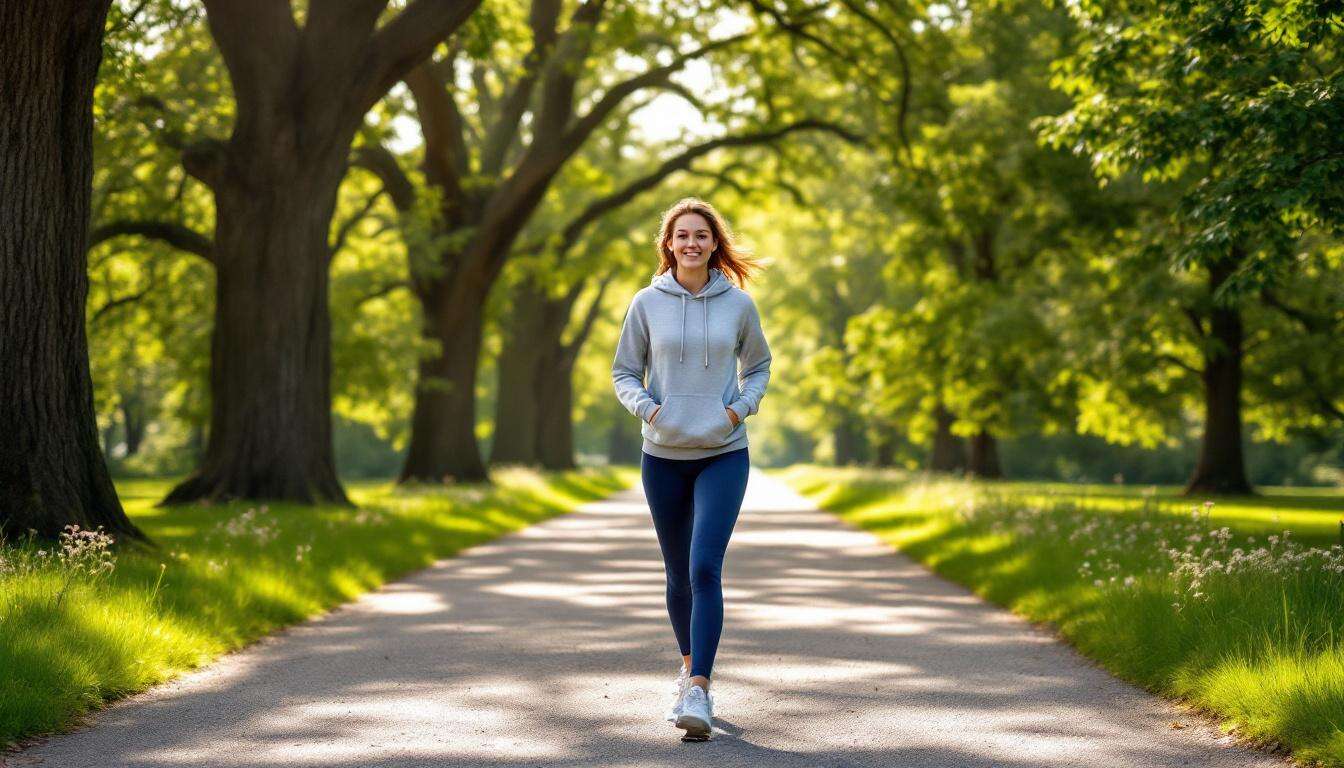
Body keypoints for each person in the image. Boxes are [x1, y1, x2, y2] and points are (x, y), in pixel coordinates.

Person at [611, 197, 772, 739]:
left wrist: (736, 410)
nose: (691, 244)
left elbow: (760, 366)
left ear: (714, 242)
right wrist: (650, 409)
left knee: (705, 567)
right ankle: (687, 669)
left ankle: (699, 688)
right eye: (682, 235)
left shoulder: (739, 305)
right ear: (668, 244)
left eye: (701, 235)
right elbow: (624, 372)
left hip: (724, 453)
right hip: (662, 456)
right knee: (678, 573)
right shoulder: (646, 303)